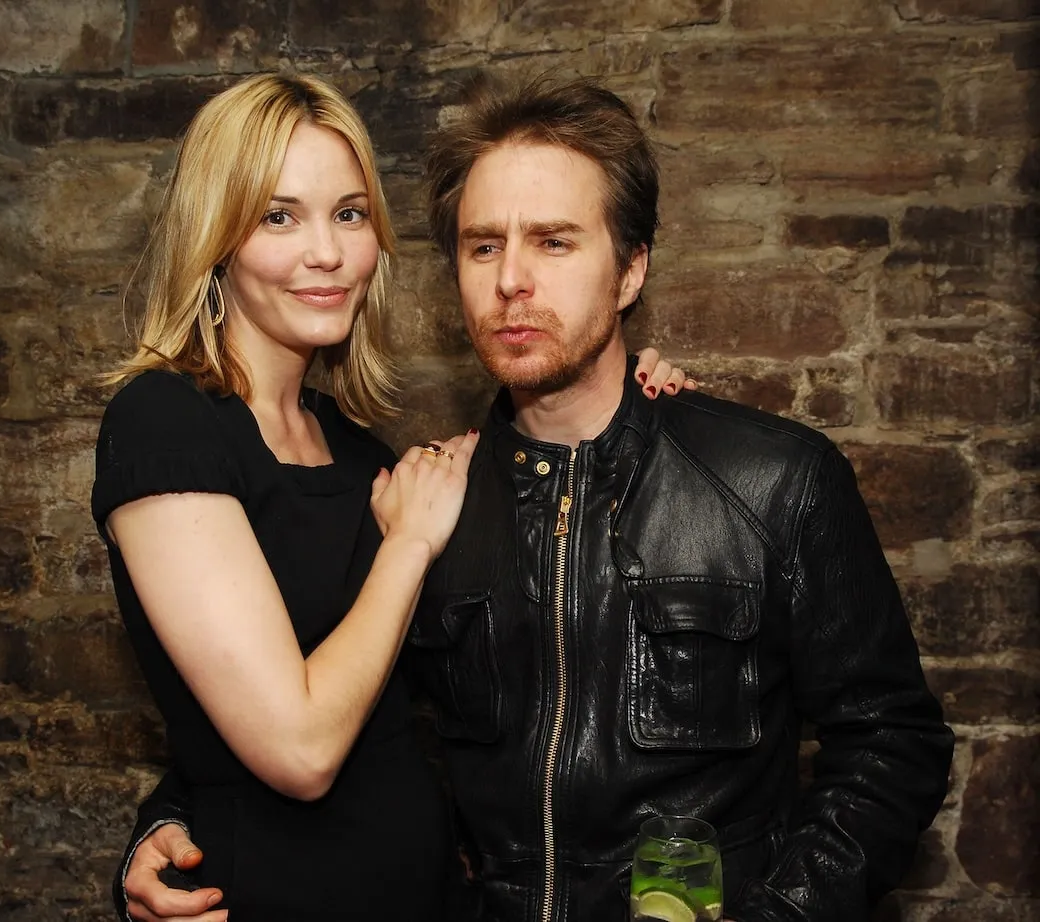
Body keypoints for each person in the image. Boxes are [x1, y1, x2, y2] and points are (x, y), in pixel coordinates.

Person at [93, 72, 691, 922]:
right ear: (215, 237)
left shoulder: (358, 450)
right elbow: (297, 747)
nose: (327, 252)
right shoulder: (164, 422)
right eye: (277, 216)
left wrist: (634, 409)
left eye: (348, 213)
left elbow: (403, 705)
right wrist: (408, 546)